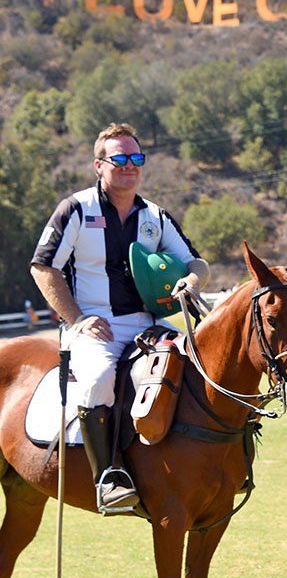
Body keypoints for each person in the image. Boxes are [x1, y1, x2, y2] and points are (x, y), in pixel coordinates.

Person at [30, 122, 209, 511]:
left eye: (136, 159)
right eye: (120, 159)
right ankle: (108, 476)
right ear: (99, 166)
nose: (129, 166)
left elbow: (195, 261)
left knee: (196, 362)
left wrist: (191, 281)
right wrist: (76, 319)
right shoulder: (76, 209)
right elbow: (44, 269)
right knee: (98, 378)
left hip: (148, 322)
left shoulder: (154, 216)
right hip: (94, 324)